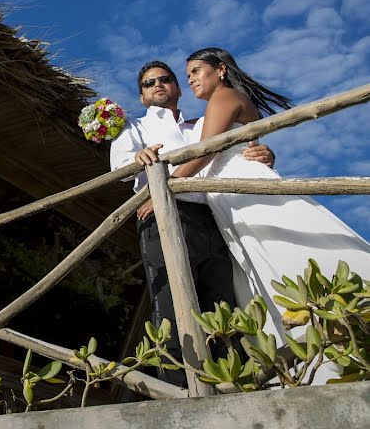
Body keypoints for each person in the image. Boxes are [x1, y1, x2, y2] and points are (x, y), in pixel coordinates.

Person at [154, 47, 370, 353]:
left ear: (221, 71)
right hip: (229, 198)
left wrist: (164, 187)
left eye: (196, 71)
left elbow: (207, 150)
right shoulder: (218, 105)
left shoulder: (224, 96)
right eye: (188, 74)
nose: (190, 79)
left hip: (244, 192)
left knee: (282, 249)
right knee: (262, 262)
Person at [109, 61, 275, 385]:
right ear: (142, 97)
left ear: (177, 88)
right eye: (148, 83)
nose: (157, 84)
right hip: (162, 215)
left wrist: (264, 155)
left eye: (165, 79)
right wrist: (137, 158)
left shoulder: (199, 125)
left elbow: (229, 148)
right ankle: (179, 390)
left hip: (213, 218)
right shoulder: (133, 128)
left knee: (223, 304)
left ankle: (233, 383)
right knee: (171, 302)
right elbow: (120, 164)